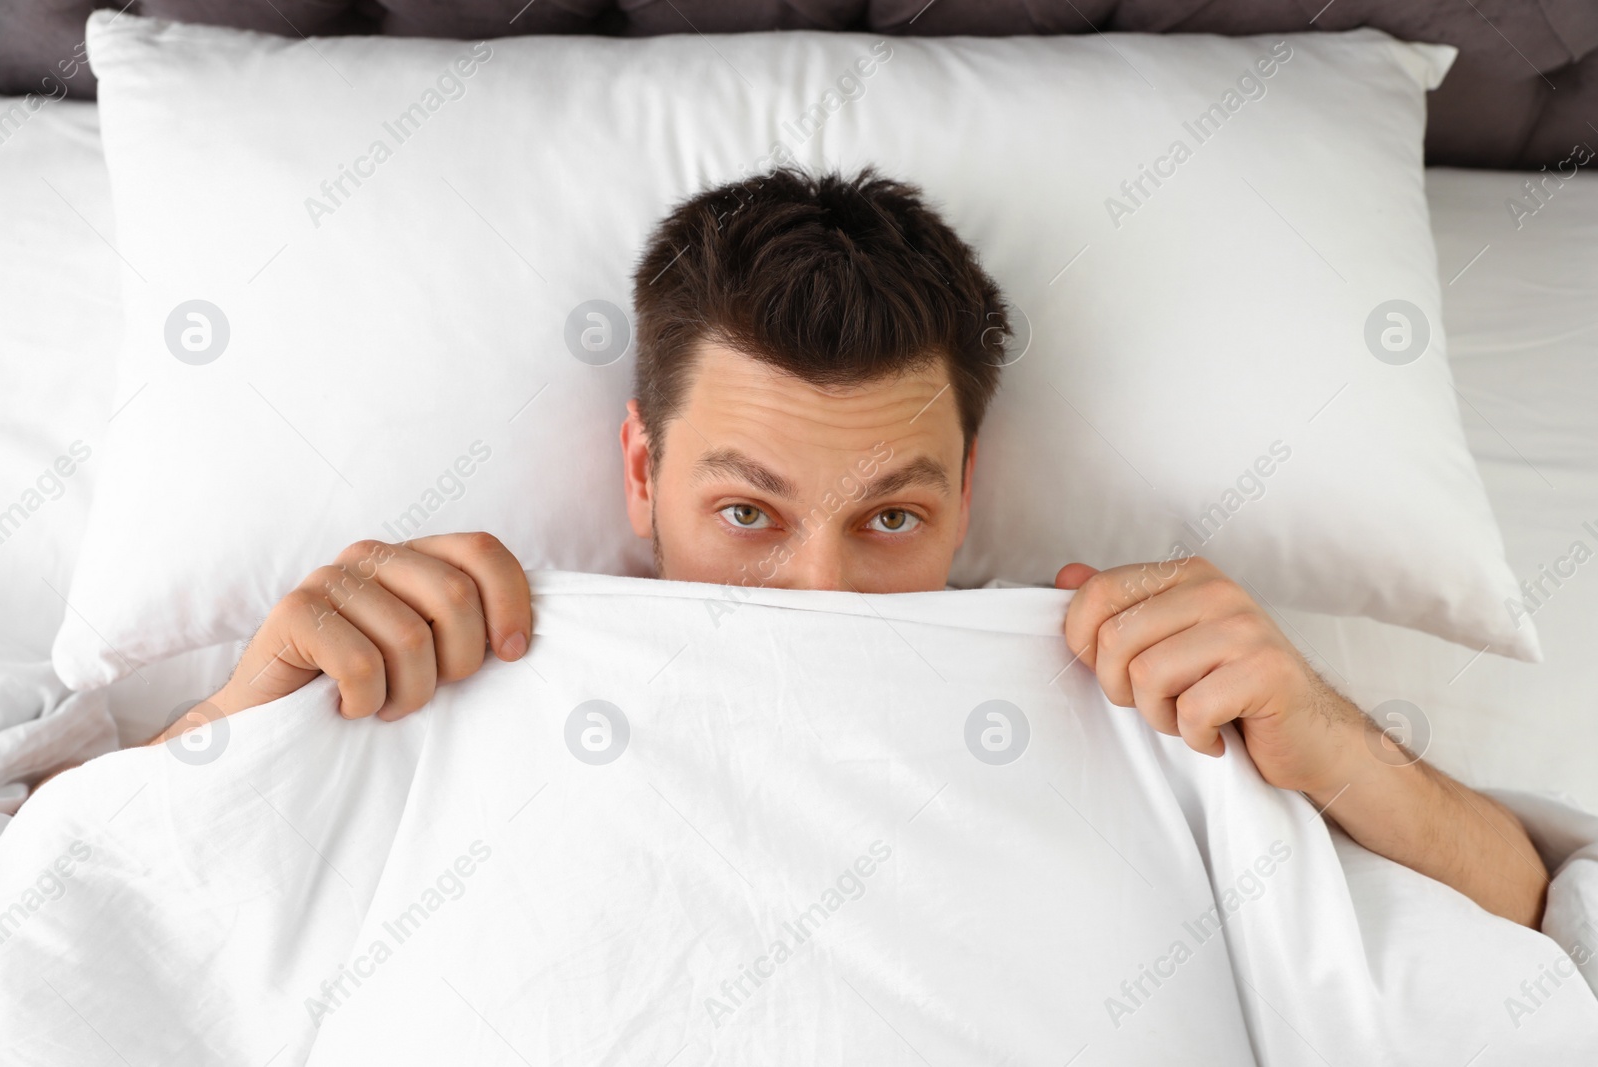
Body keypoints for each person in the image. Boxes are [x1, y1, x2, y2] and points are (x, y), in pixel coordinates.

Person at [148, 166, 1548, 929]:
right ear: (641, 470)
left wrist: (1330, 736)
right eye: (746, 513)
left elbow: (1533, 928)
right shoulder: (455, 658)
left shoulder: (1131, 689)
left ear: (967, 487)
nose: (816, 594)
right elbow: (78, 914)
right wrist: (244, 707)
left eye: (891, 519)